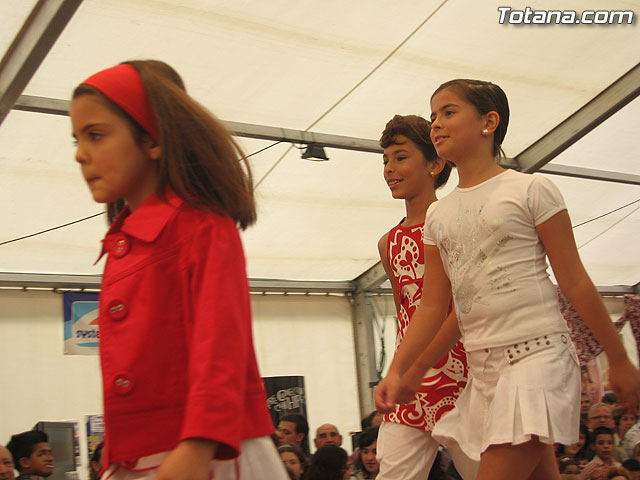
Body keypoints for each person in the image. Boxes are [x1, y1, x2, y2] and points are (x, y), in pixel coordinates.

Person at [374, 78, 640, 480]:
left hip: (538, 359)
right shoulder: (437, 217)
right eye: (433, 116)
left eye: (448, 112)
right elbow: (438, 308)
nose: (436, 124)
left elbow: (575, 282)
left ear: (489, 122)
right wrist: (404, 371)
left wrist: (618, 358)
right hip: (483, 375)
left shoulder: (531, 189)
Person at [70, 60, 287, 480]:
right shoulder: (123, 244)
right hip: (144, 456)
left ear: (152, 139)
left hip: (213, 451)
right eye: (77, 139)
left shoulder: (202, 227)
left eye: (96, 135)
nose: (80, 154)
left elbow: (221, 347)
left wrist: (198, 445)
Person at [376, 114, 469, 479]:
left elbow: (463, 308)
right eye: (385, 160)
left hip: (464, 379)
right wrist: (395, 373)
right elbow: (405, 317)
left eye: (400, 157)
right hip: (409, 389)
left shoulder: (455, 223)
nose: (389, 168)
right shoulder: (389, 243)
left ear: (435, 163)